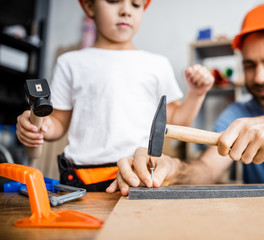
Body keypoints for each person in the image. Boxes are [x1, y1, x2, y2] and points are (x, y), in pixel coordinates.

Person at [107, 2, 264, 196]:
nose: (259, 77)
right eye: (250, 65)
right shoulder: (236, 114)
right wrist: (173, 170)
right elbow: (206, 169)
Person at [16, 0, 214, 191]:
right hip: (80, 178)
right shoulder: (70, 63)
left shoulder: (157, 65)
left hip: (137, 174)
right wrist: (40, 126)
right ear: (89, 6)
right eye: (113, 1)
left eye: (136, 4)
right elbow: (57, 122)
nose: (126, 10)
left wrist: (196, 93)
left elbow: (176, 120)